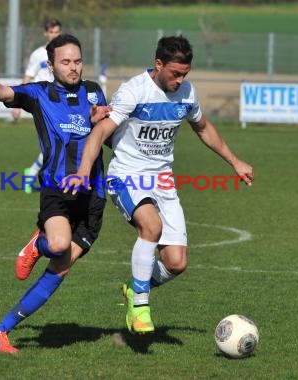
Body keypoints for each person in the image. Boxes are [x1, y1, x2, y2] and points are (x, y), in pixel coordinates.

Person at [67, 36, 254, 334]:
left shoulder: (187, 94)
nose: (180, 80)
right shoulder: (134, 90)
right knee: (150, 227)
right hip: (126, 175)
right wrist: (84, 171)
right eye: (175, 73)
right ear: (158, 64)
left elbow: (203, 127)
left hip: (162, 181)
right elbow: (100, 131)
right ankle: (140, 307)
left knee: (176, 262)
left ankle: (134, 287)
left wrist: (235, 161)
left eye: (185, 74)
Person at [0, 34, 110, 354]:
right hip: (57, 189)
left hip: (93, 195)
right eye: (66, 62)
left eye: (78, 61)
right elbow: (3, 92)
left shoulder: (94, 91)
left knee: (62, 267)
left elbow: (108, 131)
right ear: (51, 64)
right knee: (56, 245)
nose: (73, 68)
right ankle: (38, 242)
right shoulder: (39, 93)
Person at [12, 17, 62, 194]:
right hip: (43, 103)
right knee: (55, 141)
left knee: (57, 142)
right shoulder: (38, 55)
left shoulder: (64, 53)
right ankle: (40, 174)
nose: (54, 35)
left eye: (57, 32)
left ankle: (33, 172)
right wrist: (17, 104)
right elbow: (27, 78)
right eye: (51, 32)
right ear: (45, 33)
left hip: (60, 102)